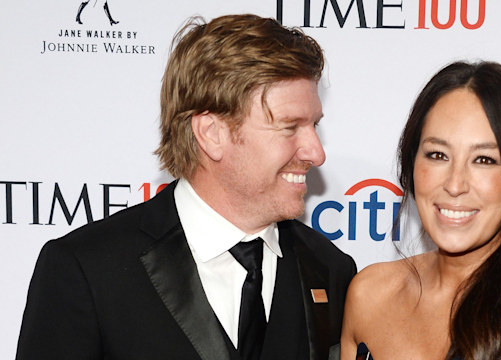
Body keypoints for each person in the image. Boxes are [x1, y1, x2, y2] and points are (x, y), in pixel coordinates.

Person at [17, 14, 356, 360]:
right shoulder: (86, 271)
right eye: (289, 127)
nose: (316, 152)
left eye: (313, 124)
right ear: (211, 133)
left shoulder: (330, 269)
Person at [340, 61, 501, 359]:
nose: (455, 185)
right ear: (412, 164)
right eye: (437, 155)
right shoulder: (369, 294)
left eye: (484, 160)